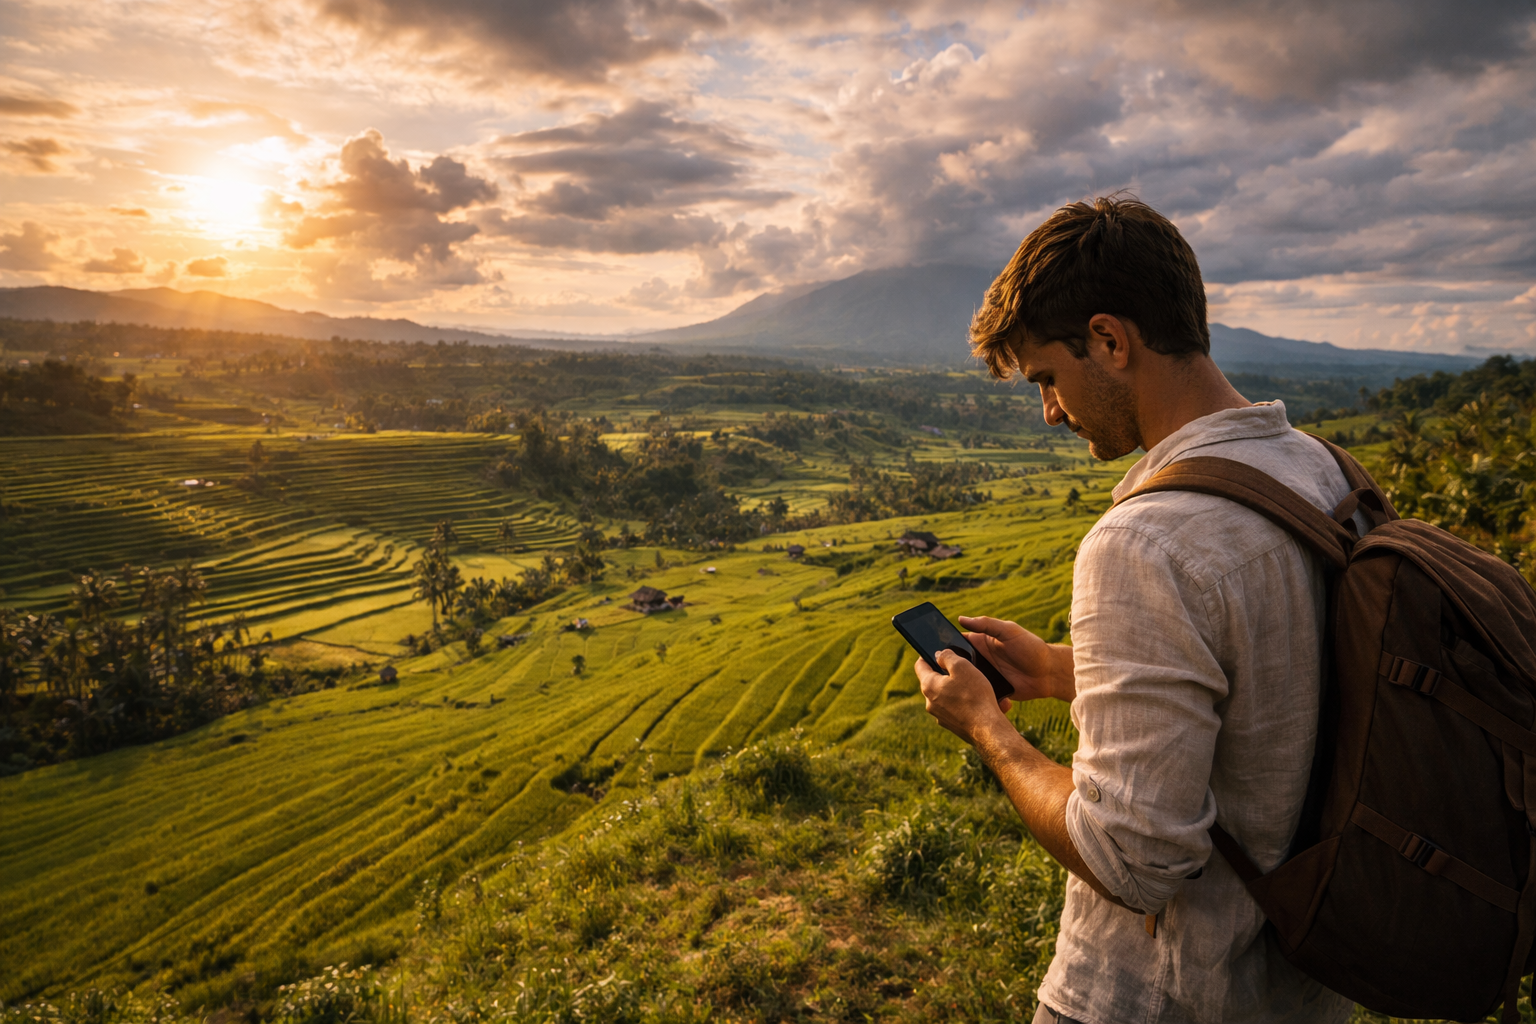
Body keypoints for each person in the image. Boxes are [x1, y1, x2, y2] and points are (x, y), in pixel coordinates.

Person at [914, 195, 1355, 1024]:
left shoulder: (1146, 543)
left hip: (1159, 993)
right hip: (1300, 987)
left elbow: (1134, 860)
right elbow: (1270, 676)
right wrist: (1052, 669)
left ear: (1111, 340)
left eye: (1048, 376)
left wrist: (990, 732)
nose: (1050, 411)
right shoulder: (1326, 477)